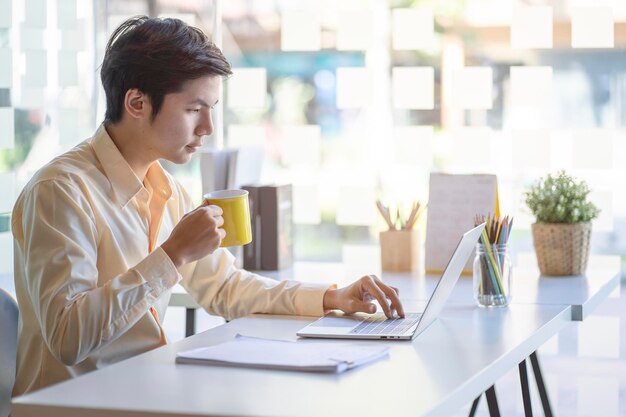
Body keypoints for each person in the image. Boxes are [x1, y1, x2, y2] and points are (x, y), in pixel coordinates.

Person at [11, 16, 404, 396]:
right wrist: (174, 253)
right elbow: (67, 338)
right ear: (136, 103)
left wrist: (330, 298)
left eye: (211, 109)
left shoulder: (167, 189)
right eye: (193, 109)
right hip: (72, 406)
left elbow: (225, 287)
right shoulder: (60, 191)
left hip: (143, 395)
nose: (208, 128)